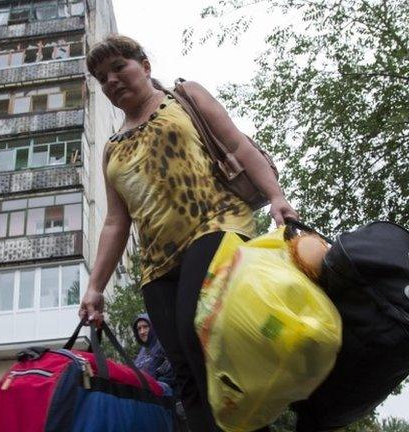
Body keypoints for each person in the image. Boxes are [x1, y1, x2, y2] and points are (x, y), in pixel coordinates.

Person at [79, 35, 297, 432]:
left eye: (119, 68)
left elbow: (239, 146)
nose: (111, 81)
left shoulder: (184, 98)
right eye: (101, 78)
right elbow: (116, 221)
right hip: (156, 265)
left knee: (195, 333)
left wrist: (277, 196)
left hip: (217, 226)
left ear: (144, 66)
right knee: (184, 371)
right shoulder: (111, 149)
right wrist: (95, 287)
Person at [133, 313, 175, 386]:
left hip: (163, 393)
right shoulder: (142, 351)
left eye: (145, 327)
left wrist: (159, 380)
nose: (142, 332)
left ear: (153, 327)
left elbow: (175, 366)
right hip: (142, 391)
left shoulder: (163, 343)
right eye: (139, 329)